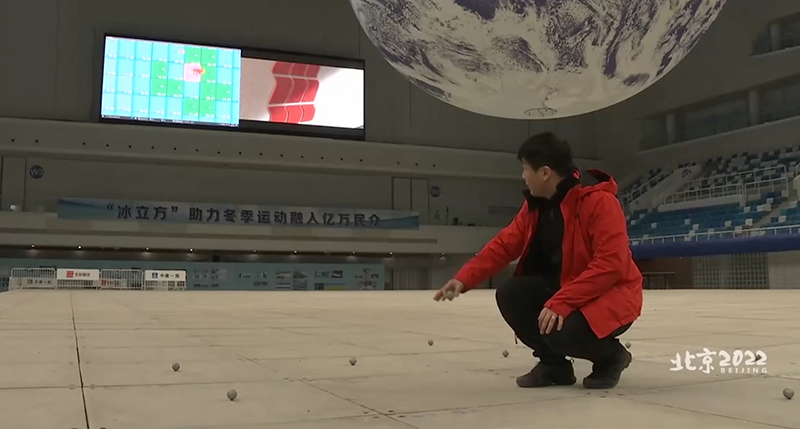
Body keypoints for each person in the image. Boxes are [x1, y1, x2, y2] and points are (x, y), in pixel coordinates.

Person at [433, 132, 643, 390]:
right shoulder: (536, 206)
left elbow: (611, 266)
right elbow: (504, 244)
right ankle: (554, 366)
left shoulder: (598, 202)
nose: (523, 176)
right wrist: (463, 278)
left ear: (545, 173)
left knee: (561, 329)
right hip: (565, 289)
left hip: (610, 295)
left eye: (525, 169)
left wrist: (562, 302)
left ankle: (612, 357)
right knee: (511, 294)